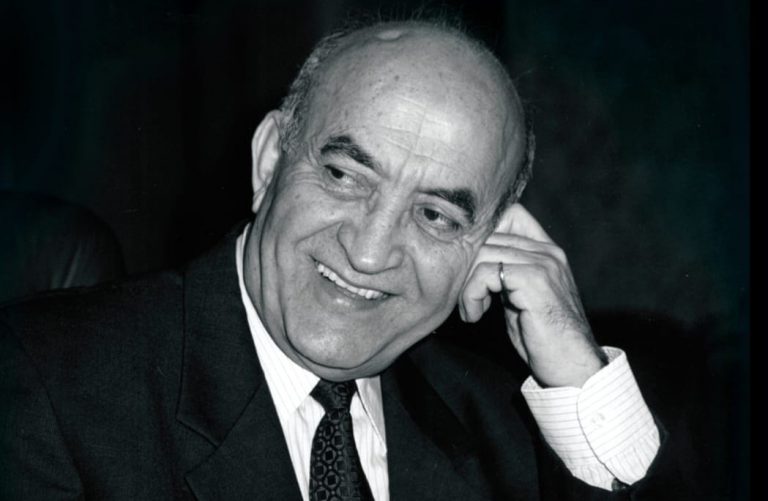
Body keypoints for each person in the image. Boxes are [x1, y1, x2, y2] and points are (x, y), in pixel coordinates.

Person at [1, 19, 682, 500]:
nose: (368, 250)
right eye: (343, 176)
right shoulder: (45, 385)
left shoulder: (498, 426)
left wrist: (578, 370)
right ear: (270, 160)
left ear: (487, 242)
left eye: (436, 216)